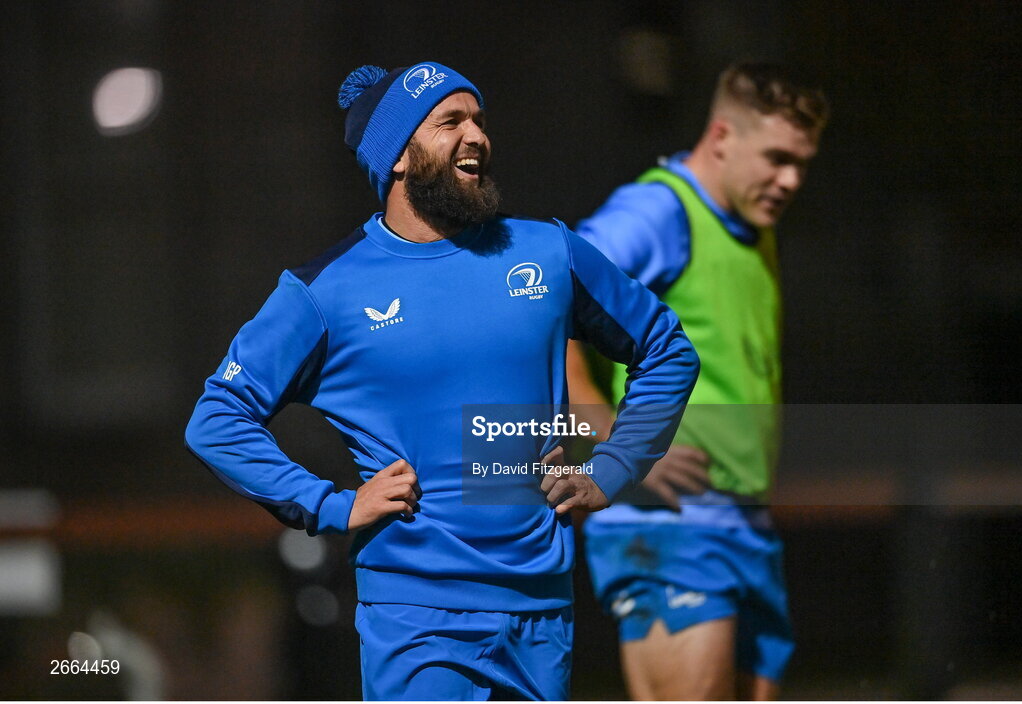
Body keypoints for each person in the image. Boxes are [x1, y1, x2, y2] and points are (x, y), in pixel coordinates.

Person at [185, 61, 698, 701]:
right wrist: (332, 505)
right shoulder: (325, 290)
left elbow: (667, 349)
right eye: (450, 121)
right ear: (397, 158)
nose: (477, 135)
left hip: (542, 613)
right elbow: (217, 420)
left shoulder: (549, 252)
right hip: (414, 618)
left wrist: (614, 468)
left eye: (479, 120)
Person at [567, 62, 828, 700]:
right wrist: (617, 451)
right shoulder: (658, 211)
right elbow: (543, 309)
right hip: (667, 523)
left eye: (802, 162)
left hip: (741, 522)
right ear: (720, 137)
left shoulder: (751, 226)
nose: (790, 180)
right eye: (775, 158)